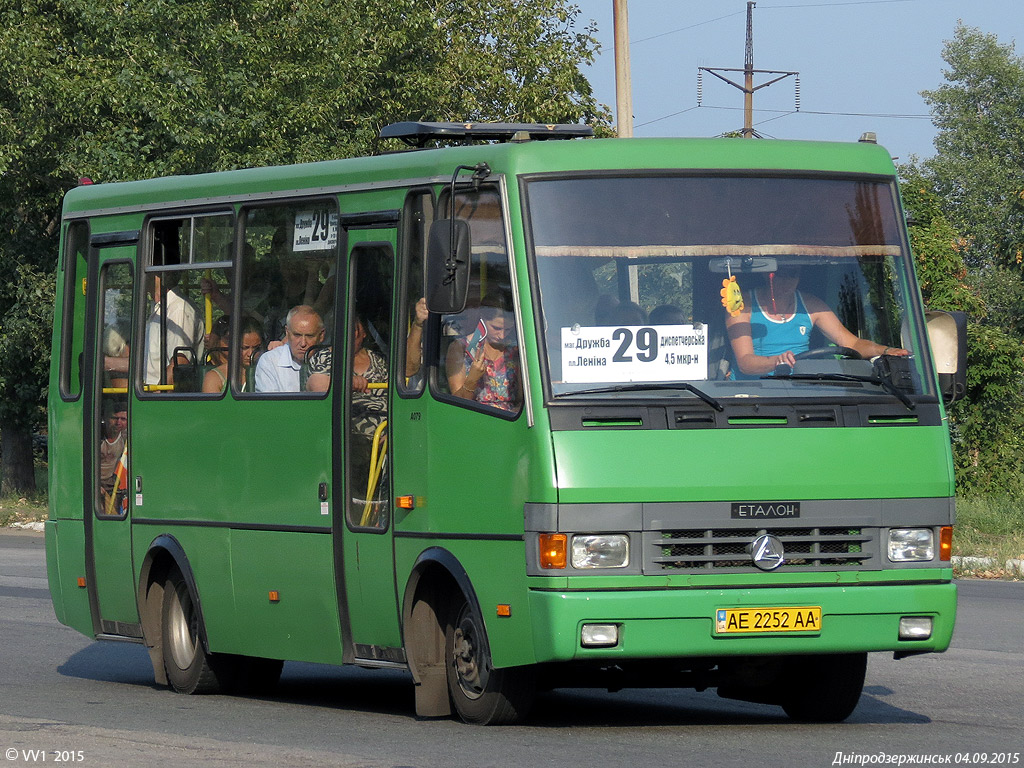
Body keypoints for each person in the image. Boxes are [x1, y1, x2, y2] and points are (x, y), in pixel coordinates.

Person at [725, 265, 909, 377]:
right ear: (767, 274)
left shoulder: (811, 304)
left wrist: (884, 350)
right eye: (781, 273)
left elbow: (852, 343)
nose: (787, 280)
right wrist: (778, 361)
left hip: (800, 390)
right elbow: (745, 362)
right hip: (750, 394)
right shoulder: (743, 305)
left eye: (793, 274)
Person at [446, 294, 520, 411]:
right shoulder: (461, 348)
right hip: (477, 418)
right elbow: (458, 404)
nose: (502, 336)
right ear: (483, 318)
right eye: (496, 328)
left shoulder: (516, 350)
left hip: (511, 420)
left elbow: (522, 400)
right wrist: (472, 379)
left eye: (508, 329)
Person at [144, 271, 205, 386]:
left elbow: (179, 363)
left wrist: (156, 396)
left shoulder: (178, 309)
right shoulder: (160, 306)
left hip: (159, 395)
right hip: (147, 389)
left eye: (146, 269)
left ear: (161, 275)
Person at [254, 305, 324, 392]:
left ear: (321, 336)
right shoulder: (270, 361)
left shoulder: (331, 361)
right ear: (287, 332)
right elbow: (270, 405)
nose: (303, 343)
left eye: (309, 336)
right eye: (297, 335)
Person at [98, 401, 128, 515]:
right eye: (114, 418)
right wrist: (95, 485)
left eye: (123, 419)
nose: (118, 422)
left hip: (111, 485)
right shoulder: (97, 437)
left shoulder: (125, 438)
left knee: (112, 515)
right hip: (95, 483)